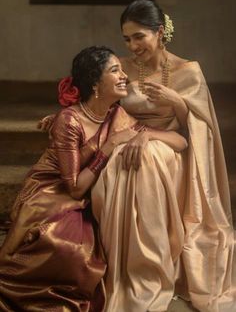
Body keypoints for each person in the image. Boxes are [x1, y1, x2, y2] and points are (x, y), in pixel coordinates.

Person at [0, 46, 187, 311]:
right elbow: (74, 188)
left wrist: (147, 136)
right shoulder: (69, 120)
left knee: (94, 251)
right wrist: (109, 147)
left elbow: (180, 141)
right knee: (70, 249)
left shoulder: (117, 116)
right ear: (95, 84)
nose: (124, 76)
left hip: (89, 194)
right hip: (53, 192)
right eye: (115, 71)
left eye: (122, 70)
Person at [91, 0, 236, 312]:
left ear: (159, 32)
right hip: (127, 138)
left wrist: (177, 103)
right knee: (118, 162)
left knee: (149, 159)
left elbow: (197, 132)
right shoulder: (122, 68)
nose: (132, 46)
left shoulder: (187, 70)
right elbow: (101, 106)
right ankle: (124, 267)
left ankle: (151, 268)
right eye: (127, 39)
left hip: (171, 145)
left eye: (139, 36)